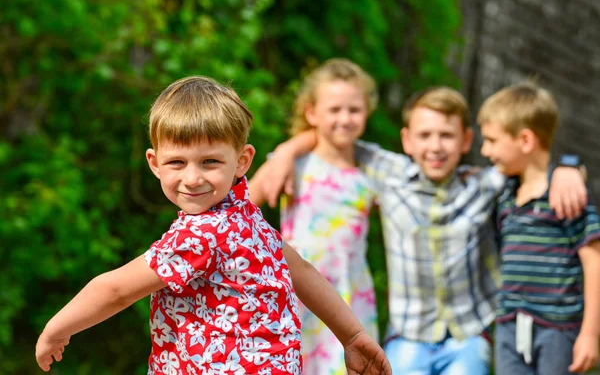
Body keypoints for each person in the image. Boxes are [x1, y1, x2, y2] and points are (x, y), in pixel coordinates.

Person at [35, 76, 391, 375]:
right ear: (154, 163)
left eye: (209, 162)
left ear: (242, 160)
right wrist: (352, 335)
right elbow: (302, 271)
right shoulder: (247, 218)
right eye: (177, 162)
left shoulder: (201, 234)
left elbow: (116, 290)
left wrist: (58, 328)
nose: (192, 178)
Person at [253, 85, 588, 374]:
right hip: (408, 334)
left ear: (465, 140)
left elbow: (530, 162)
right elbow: (333, 133)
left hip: (466, 335)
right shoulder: (389, 172)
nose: (435, 146)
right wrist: (285, 152)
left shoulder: (485, 184)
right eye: (425, 135)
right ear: (407, 140)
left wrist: (568, 168)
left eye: (446, 135)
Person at [249, 58, 379, 374]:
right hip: (297, 294)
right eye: (334, 110)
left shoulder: (371, 172)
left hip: (350, 294)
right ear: (312, 113)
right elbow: (242, 207)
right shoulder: (291, 164)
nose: (344, 118)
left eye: (354, 110)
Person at [478, 82, 600, 375]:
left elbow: (594, 262)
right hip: (509, 326)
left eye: (492, 141)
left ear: (525, 140)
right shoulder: (505, 194)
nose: (484, 150)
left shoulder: (567, 197)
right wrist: (570, 164)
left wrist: (590, 334)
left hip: (557, 329)